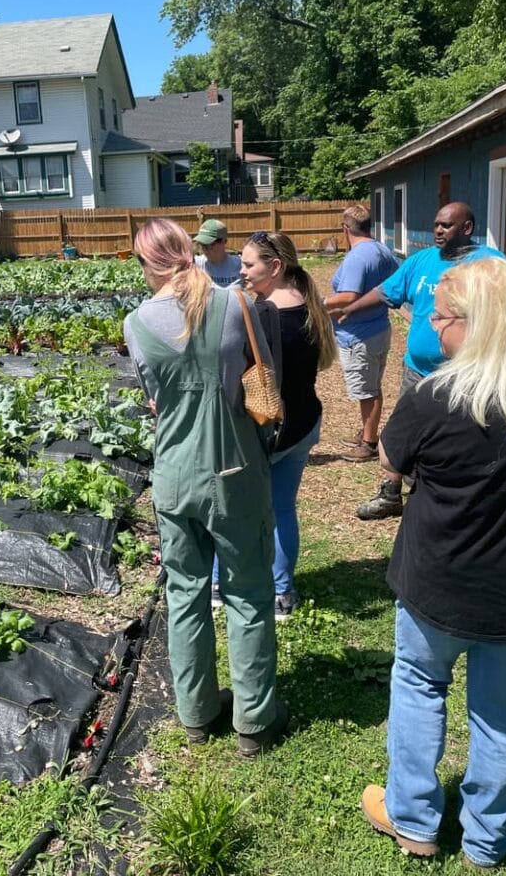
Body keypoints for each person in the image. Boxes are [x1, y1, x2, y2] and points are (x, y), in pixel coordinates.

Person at [361, 256, 506, 869]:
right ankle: (486, 842)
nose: (434, 330)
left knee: (419, 685)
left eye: (441, 318)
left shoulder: (436, 396)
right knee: (501, 717)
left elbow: (390, 462)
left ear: (477, 324)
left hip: (437, 584)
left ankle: (413, 820)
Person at [123, 218, 287, 758]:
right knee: (247, 594)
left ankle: (196, 714)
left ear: (148, 263)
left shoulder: (137, 323)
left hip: (174, 475)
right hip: (235, 472)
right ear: (187, 251)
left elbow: (155, 396)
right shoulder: (234, 304)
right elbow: (265, 381)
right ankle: (254, 722)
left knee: (185, 594)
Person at [334, 202, 505, 519]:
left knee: (461, 434)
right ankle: (390, 492)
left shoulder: (490, 264)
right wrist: (350, 307)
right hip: (417, 368)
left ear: (467, 228)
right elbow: (388, 290)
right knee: (407, 430)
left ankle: (447, 494)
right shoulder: (422, 261)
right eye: (437, 224)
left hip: (468, 372)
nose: (438, 230)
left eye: (446, 226)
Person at [240, 230, 337, 619]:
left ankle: (219, 584)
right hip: (304, 423)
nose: (243, 271)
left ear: (275, 266)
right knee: (283, 509)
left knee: (240, 510)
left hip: (269, 432)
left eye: (249, 264)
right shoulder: (309, 305)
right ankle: (283, 593)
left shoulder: (263, 317)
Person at [323, 204, 398, 461]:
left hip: (359, 336)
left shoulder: (357, 256)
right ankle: (368, 432)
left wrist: (320, 303)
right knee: (372, 386)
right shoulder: (381, 250)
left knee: (367, 392)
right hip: (378, 328)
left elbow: (348, 296)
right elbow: (393, 285)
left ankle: (368, 444)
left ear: (346, 229)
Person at [192, 218, 242, 287]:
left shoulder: (239, 265)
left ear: (224, 241)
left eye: (209, 245)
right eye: (202, 245)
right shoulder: (196, 264)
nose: (205, 250)